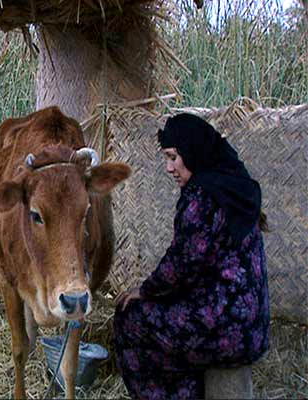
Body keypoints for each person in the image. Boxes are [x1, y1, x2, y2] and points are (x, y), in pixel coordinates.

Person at [112, 113, 270, 399]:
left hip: (224, 332)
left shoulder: (201, 195)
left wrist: (144, 291)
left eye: (173, 157)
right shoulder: (234, 187)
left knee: (128, 318)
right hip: (252, 326)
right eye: (165, 158)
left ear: (192, 151)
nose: (169, 167)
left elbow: (182, 264)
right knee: (169, 314)